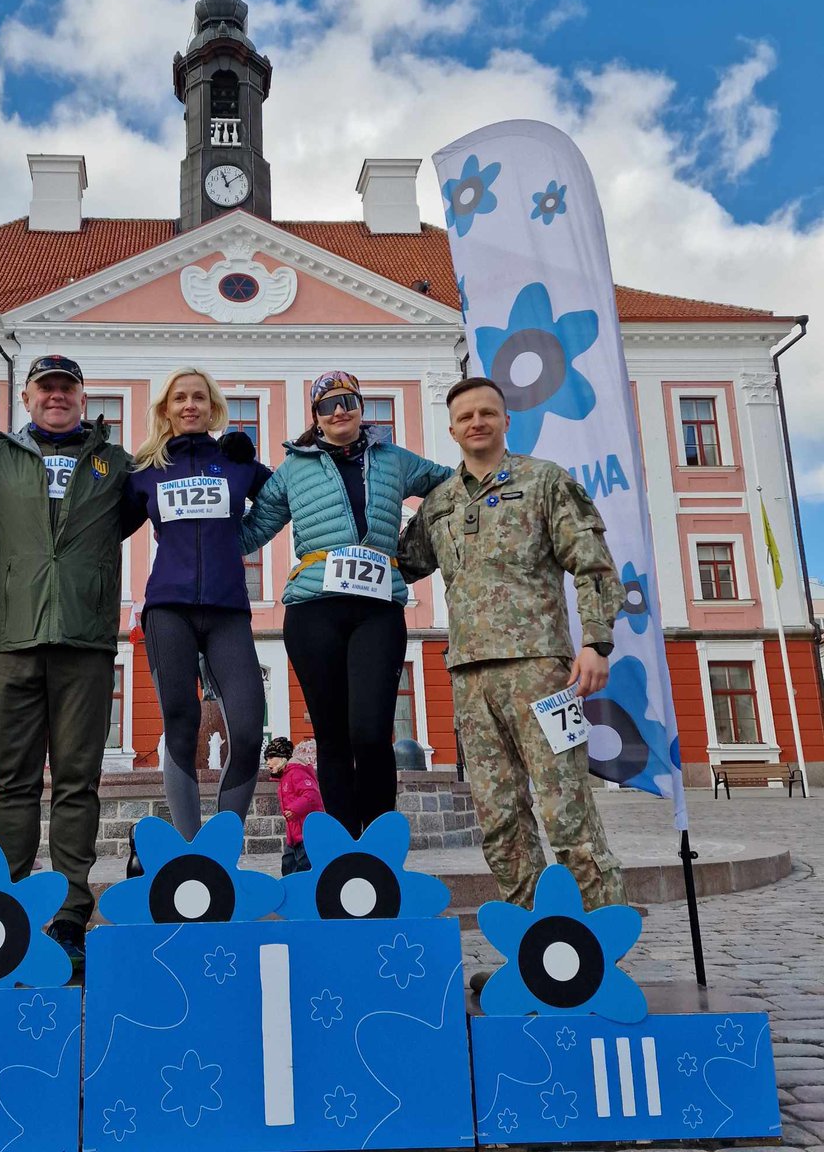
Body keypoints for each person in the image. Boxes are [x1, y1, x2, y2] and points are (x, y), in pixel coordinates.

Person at [397, 376, 628, 920]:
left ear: (506, 421)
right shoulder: (440, 503)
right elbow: (399, 561)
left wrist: (596, 642)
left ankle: (601, 934)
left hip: (542, 673)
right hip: (470, 677)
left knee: (565, 807)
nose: (476, 422)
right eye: (465, 416)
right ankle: (529, 940)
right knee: (499, 817)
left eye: (487, 413)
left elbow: (593, 566)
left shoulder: (545, 481)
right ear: (451, 429)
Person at [241, 371, 451, 838]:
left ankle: (379, 842)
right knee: (333, 736)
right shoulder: (293, 469)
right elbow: (252, 532)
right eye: (328, 404)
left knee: (372, 733)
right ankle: (342, 846)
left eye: (348, 401)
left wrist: (417, 548)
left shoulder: (394, 458)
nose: (339, 410)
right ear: (316, 417)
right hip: (314, 609)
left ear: (359, 407)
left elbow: (451, 485)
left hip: (378, 608)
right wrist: (217, 498)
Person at [0, 353, 132, 969]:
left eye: (67, 388)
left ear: (82, 394)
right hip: (11, 639)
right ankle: (9, 908)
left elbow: (161, 498)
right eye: (46, 388)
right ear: (28, 397)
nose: (56, 397)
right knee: (12, 783)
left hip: (85, 642)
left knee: (75, 783)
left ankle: (69, 915)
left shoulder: (115, 465)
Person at [124, 367, 271, 839]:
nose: (190, 405)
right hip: (167, 609)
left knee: (248, 732)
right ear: (165, 409)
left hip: (229, 610)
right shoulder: (145, 472)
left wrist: (311, 442)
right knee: (182, 727)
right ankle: (190, 852)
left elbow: (298, 494)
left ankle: (224, 843)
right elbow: (100, 528)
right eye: (180, 398)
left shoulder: (237, 463)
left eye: (199, 398)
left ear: (213, 408)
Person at [263, 736, 324, 875]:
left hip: (305, 833)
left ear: (282, 757)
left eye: (271, 758)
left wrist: (294, 809)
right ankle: (288, 892)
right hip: (294, 834)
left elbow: (312, 795)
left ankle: (303, 893)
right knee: (288, 864)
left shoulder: (296, 772)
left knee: (303, 866)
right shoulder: (285, 776)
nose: (268, 763)